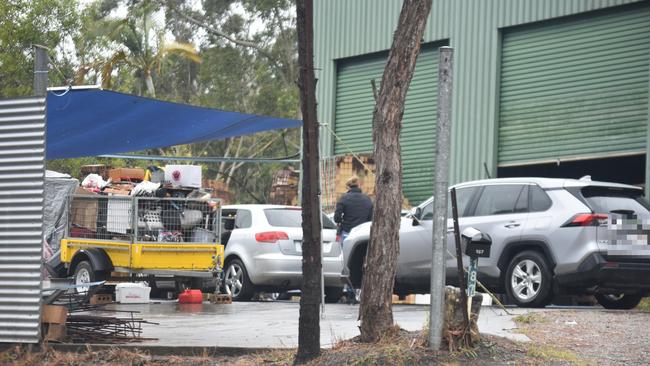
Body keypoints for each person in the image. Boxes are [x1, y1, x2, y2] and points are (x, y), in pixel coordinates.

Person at [334, 175, 373, 242]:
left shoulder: (343, 198)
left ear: (348, 187)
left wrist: (341, 222)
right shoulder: (368, 199)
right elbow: (370, 218)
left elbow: (337, 218)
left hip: (347, 232)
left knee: (344, 252)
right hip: (362, 234)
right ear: (359, 185)